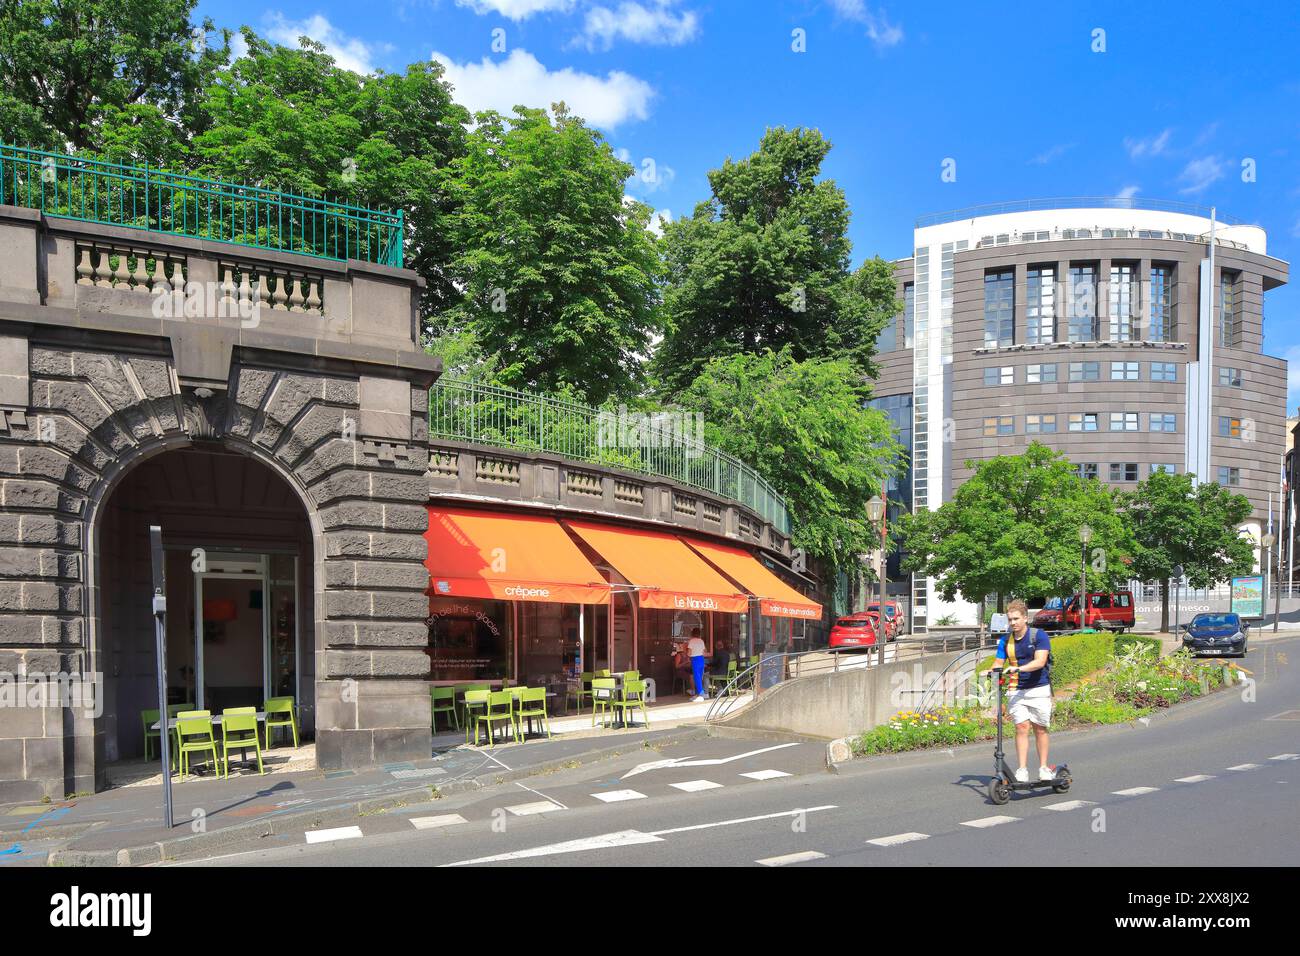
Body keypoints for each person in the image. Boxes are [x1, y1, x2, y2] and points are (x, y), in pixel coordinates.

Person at [996, 599, 1053, 783]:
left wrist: (1018, 669)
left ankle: (1043, 767)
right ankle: (1022, 769)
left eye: (1016, 619)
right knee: (1021, 727)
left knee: (1040, 728)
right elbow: (998, 662)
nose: (1012, 623)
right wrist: (990, 670)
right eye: (1010, 619)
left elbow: (1040, 661)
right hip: (1016, 689)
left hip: (1038, 688)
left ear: (1025, 618)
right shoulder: (1006, 641)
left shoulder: (1039, 636)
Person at [687, 626, 707, 702]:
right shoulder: (701, 641)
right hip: (701, 659)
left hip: (695, 660)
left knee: (697, 677)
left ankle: (701, 695)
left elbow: (689, 653)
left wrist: (687, 654)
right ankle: (698, 694)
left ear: (692, 633)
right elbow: (704, 651)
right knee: (700, 676)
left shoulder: (691, 641)